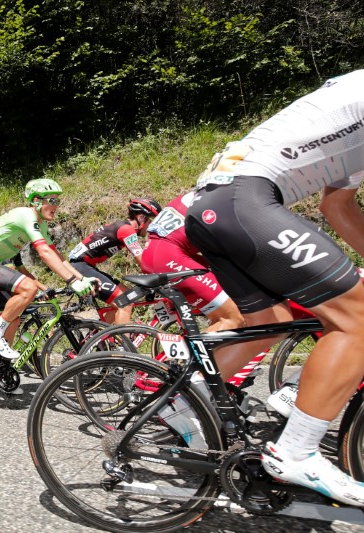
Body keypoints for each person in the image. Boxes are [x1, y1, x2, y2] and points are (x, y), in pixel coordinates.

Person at [184, 69, 364, 506]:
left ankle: (183, 401)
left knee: (272, 321)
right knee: (357, 319)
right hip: (242, 201)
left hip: (218, 203)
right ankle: (296, 449)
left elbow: (336, 203)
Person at [0, 178, 94, 362]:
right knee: (29, 287)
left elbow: (57, 256)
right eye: (52, 200)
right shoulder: (25, 215)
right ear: (36, 201)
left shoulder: (42, 224)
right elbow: (44, 252)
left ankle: (2, 370)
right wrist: (71, 281)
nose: (57, 206)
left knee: (14, 317)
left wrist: (81, 278)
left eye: (58, 201)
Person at [141, 191, 244, 332]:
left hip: (156, 251)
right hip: (168, 256)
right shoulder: (223, 199)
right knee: (231, 318)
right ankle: (197, 353)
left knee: (226, 276)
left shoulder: (206, 191)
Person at [68, 198, 162, 324]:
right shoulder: (127, 230)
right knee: (125, 304)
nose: (151, 226)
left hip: (83, 265)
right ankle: (123, 344)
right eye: (150, 220)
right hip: (81, 266)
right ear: (141, 218)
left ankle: (96, 338)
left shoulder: (122, 227)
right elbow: (142, 262)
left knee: (128, 298)